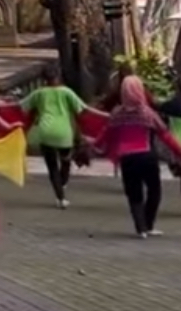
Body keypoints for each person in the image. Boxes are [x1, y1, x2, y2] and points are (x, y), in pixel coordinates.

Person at [96, 75, 181, 238]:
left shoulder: (117, 115)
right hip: (146, 155)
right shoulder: (148, 113)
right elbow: (165, 135)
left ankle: (141, 228)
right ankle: (149, 224)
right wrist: (179, 153)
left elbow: (105, 135)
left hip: (127, 158)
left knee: (134, 193)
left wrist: (94, 146)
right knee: (154, 190)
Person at [18, 63, 92, 208]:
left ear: (44, 78)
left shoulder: (39, 93)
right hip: (64, 133)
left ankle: (60, 198)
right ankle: (63, 184)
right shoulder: (67, 92)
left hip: (45, 132)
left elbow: (21, 107)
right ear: (58, 75)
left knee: (52, 167)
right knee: (65, 162)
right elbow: (83, 110)